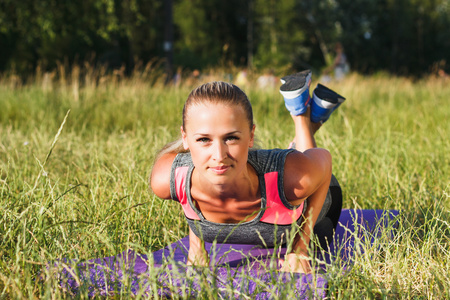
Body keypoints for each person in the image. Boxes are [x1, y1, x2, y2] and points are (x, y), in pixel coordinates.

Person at [150, 70, 344, 273]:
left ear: (251, 135)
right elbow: (192, 195)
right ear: (185, 138)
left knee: (302, 173)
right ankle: (312, 113)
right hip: (278, 186)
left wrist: (300, 249)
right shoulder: (168, 179)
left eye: (231, 137)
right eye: (203, 139)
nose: (219, 155)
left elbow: (324, 159)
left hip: (318, 198)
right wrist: (196, 250)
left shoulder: (290, 178)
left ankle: (300, 116)